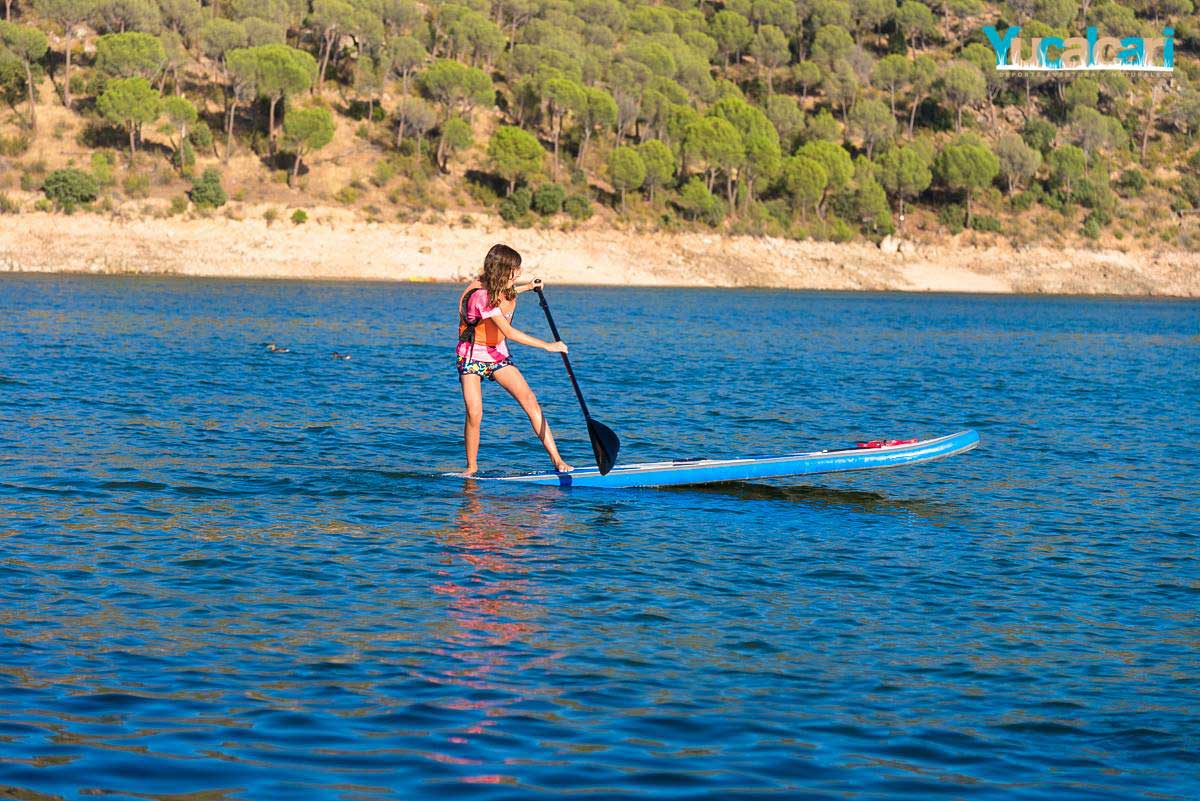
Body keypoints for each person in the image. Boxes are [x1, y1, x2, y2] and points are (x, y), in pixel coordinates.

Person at [457, 244, 572, 476]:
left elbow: (505, 293)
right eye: (514, 270)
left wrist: (528, 287)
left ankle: (558, 461)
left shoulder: (499, 287)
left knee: (530, 400)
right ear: (501, 270)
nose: (518, 273)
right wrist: (548, 346)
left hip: (497, 354)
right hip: (472, 356)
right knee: (475, 412)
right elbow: (508, 331)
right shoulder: (480, 295)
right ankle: (471, 468)